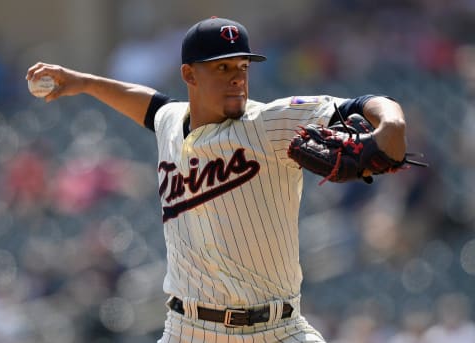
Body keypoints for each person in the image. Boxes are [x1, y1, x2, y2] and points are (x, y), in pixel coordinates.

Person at [26, 17, 407, 343]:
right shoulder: (171, 122)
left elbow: (359, 104)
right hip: (187, 329)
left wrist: (391, 122)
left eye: (242, 67)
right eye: (222, 68)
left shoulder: (270, 123)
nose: (237, 79)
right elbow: (148, 104)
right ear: (189, 74)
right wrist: (84, 82)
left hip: (277, 329)